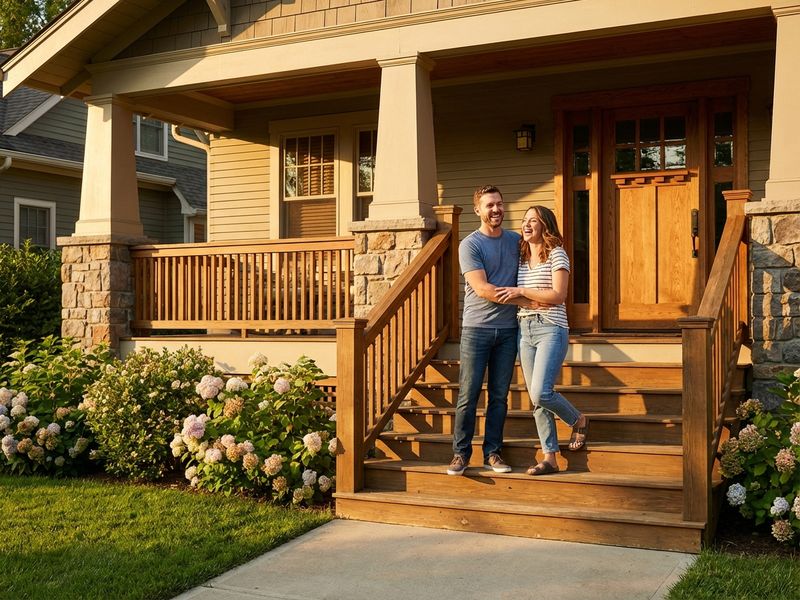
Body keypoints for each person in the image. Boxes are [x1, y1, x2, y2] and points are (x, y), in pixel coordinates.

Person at [448, 185, 535, 476]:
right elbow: (483, 289)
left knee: (499, 396)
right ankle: (460, 454)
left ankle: (493, 453)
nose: (496, 209)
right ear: (478, 210)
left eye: (499, 203)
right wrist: (528, 300)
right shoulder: (470, 245)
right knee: (468, 394)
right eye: (489, 205)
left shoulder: (515, 241)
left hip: (508, 330)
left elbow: (540, 255)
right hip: (477, 329)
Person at [496, 205, 589, 476]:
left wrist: (524, 291)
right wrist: (530, 298)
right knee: (536, 400)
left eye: (533, 221)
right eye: (525, 220)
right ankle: (550, 458)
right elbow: (521, 298)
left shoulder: (557, 254)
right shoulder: (522, 257)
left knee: (541, 392)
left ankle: (578, 419)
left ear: (545, 225)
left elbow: (558, 295)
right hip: (524, 330)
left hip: (551, 328)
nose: (526, 225)